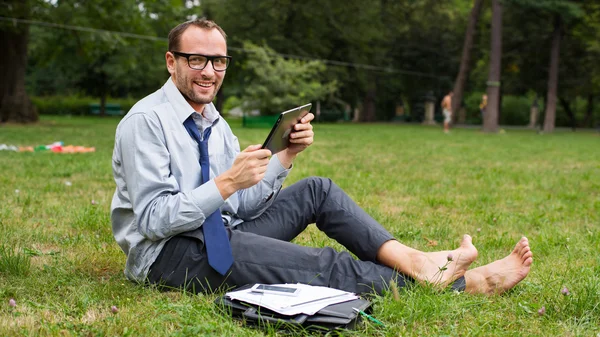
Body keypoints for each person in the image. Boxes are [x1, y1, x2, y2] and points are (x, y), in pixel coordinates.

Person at [110, 18, 533, 297]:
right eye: (196, 59)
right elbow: (152, 220)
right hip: (170, 255)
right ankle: (470, 284)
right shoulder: (145, 122)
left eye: (218, 61)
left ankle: (415, 261)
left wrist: (285, 157)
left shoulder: (215, 123)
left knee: (318, 191)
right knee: (321, 263)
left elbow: (237, 206)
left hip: (222, 230)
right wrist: (224, 183)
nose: (209, 71)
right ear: (171, 62)